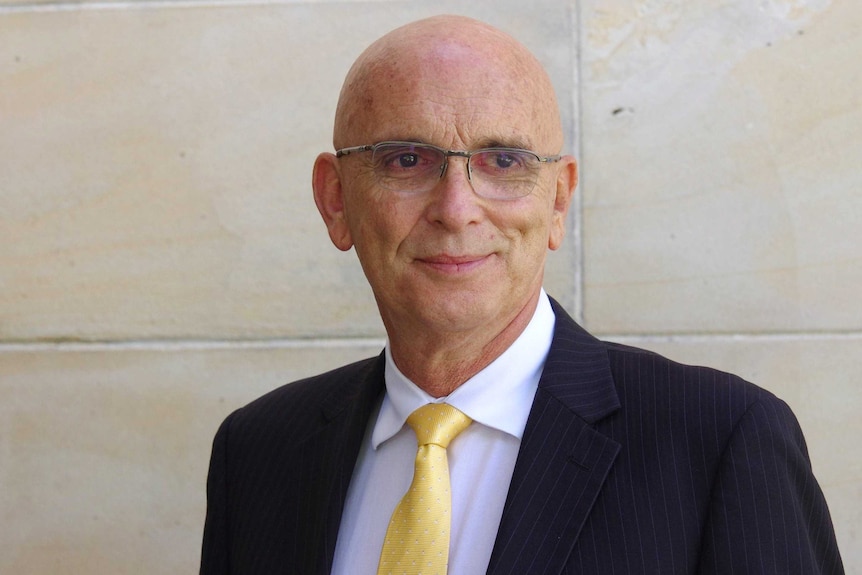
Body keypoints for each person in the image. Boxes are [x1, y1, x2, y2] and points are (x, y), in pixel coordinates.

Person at [199, 14, 844, 575]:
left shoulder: (719, 442)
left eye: (502, 162)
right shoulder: (257, 453)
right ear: (335, 199)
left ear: (558, 200)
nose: (456, 209)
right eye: (406, 161)